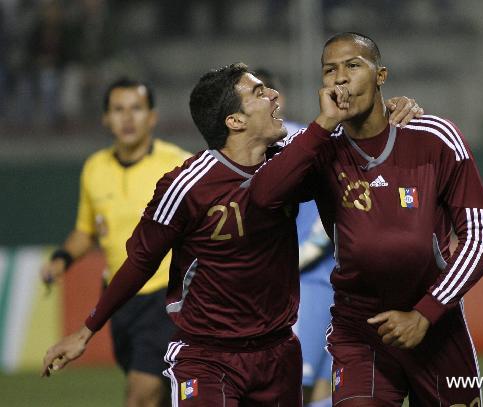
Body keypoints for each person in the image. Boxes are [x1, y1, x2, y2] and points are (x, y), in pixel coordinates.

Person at [42, 63, 422, 406]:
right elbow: (142, 260)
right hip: (207, 358)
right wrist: (87, 330)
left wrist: (387, 112)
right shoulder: (187, 185)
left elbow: (352, 149)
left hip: (278, 354)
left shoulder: (288, 161)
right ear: (235, 121)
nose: (273, 95)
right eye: (258, 92)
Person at [250, 32, 483, 406]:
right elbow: (264, 195)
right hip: (359, 330)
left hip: (437, 326)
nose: (340, 77)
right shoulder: (320, 148)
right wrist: (322, 125)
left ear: (381, 75)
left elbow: (481, 238)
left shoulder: (436, 137)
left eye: (353, 65)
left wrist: (425, 313)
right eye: (330, 69)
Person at [40, 77, 191, 407]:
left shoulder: (179, 165)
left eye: (136, 109)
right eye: (118, 110)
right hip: (118, 301)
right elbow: (86, 231)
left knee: (141, 394)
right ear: (105, 119)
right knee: (160, 394)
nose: (127, 118)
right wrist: (61, 259)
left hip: (167, 297)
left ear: (152, 116)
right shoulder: (94, 168)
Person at [254, 68, 335, 407]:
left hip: (309, 283)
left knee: (298, 387)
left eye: (266, 94)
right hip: (277, 287)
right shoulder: (239, 153)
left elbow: (324, 224)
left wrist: (283, 265)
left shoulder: (305, 142)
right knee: (318, 388)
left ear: (279, 99)